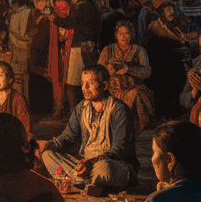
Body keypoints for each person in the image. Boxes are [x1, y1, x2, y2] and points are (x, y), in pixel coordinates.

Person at [41, 65, 138, 194]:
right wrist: (46, 145)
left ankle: (81, 182)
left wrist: (91, 163)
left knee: (104, 168)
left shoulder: (119, 110)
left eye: (90, 83)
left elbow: (119, 149)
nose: (84, 88)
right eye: (82, 83)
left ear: (104, 85)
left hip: (112, 164)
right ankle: (86, 183)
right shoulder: (81, 108)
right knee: (48, 155)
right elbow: (68, 137)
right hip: (85, 165)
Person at [98, 20, 154, 134]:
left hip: (132, 87)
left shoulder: (139, 50)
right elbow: (97, 71)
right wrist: (107, 70)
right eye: (121, 33)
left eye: (127, 33)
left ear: (131, 34)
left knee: (137, 94)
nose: (124, 36)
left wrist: (129, 70)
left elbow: (147, 71)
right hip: (111, 88)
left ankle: (131, 129)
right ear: (116, 35)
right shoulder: (108, 50)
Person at [145, 0, 198, 119]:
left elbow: (182, 42)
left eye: (172, 10)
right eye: (168, 10)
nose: (171, 12)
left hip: (178, 68)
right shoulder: (154, 27)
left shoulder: (174, 28)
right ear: (161, 12)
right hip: (163, 69)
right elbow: (156, 48)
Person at [29, 0, 73, 118]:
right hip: (56, 54)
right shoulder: (50, 19)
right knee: (57, 81)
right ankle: (59, 108)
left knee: (69, 83)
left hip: (68, 53)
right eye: (57, 7)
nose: (60, 10)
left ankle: (67, 109)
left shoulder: (68, 19)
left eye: (63, 7)